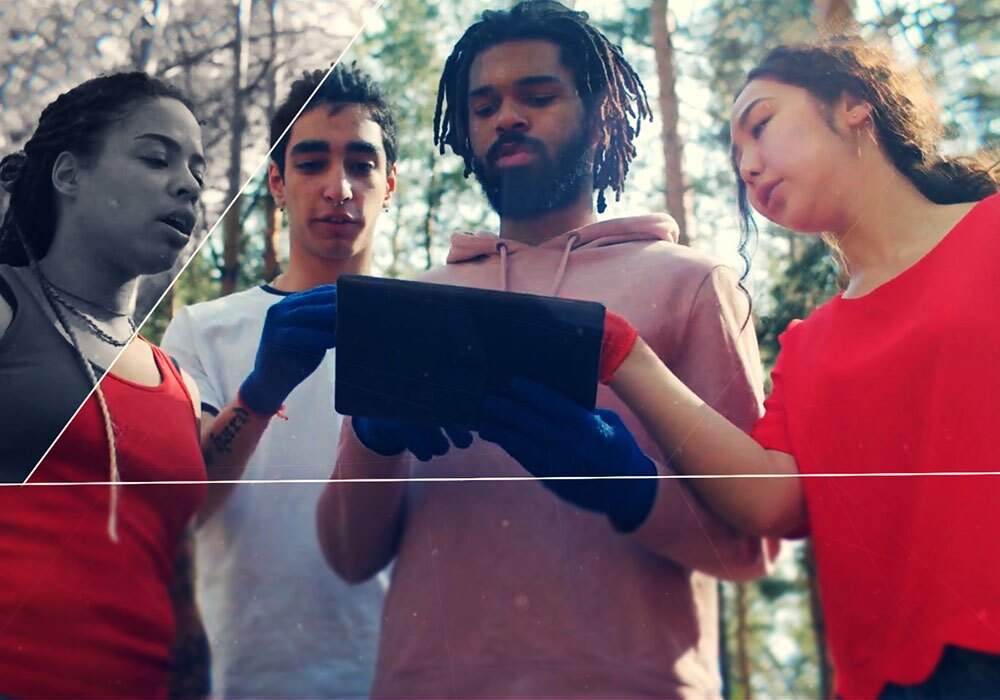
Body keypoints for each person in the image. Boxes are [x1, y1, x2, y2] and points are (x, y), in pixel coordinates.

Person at [318, 3, 779, 697]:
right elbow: (350, 558)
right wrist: (372, 440)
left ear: (601, 117)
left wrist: (630, 485)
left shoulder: (692, 284)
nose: (506, 117)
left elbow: (752, 548)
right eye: (484, 105)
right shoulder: (414, 302)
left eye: (537, 96)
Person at [595, 39, 1000, 699]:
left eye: (760, 126)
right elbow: (773, 500)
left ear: (854, 106)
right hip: (886, 684)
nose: (749, 167)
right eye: (736, 159)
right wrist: (628, 359)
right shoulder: (810, 345)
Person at [160, 63, 396, 698]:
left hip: (407, 672)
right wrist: (260, 395)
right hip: (253, 677)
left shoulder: (431, 325)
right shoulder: (202, 330)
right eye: (311, 162)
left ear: (390, 183)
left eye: (362, 164)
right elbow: (188, 506)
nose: (338, 188)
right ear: (277, 183)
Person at [0, 72, 210, 698]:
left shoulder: (180, 386)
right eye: (155, 158)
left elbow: (179, 580)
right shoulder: (11, 307)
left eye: (197, 172)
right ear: (68, 175)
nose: (188, 185)